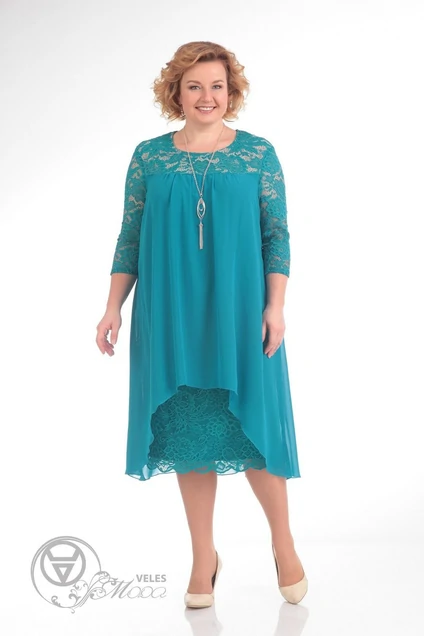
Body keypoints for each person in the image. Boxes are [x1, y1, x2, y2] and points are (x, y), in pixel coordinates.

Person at [96, 41, 308, 608]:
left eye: (216, 86)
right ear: (177, 92)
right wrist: (114, 306)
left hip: (241, 312)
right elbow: (130, 236)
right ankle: (202, 556)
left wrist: (275, 306)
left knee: (255, 431)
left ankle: (283, 542)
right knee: (187, 433)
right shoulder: (149, 157)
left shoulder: (257, 154)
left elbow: (276, 236)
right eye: (194, 86)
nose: (206, 96)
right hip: (170, 311)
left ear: (231, 92)